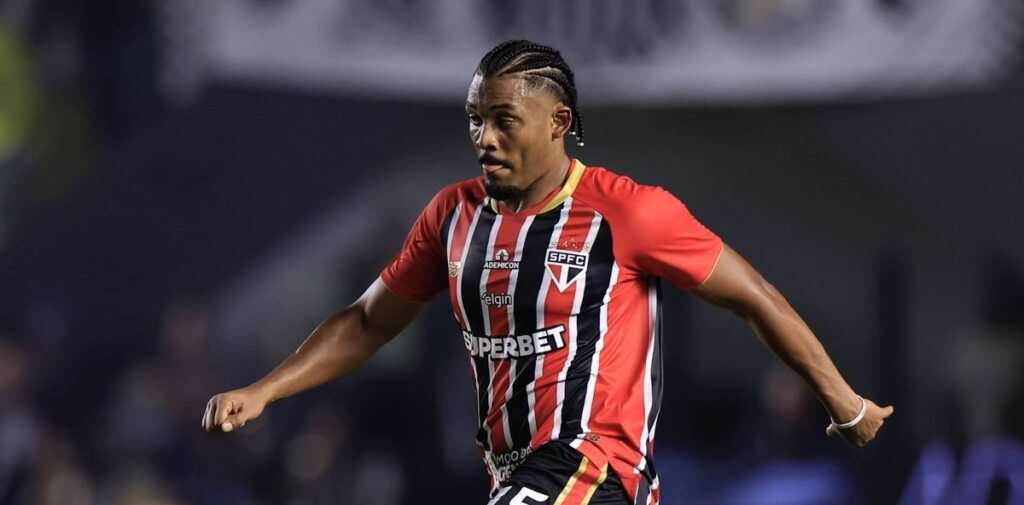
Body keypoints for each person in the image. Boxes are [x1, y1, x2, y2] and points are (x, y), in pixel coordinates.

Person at [202, 39, 893, 505]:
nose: (485, 138)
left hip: (597, 470)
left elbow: (754, 296)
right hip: (514, 477)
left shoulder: (629, 212)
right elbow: (366, 322)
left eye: (504, 119)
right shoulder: (453, 216)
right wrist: (265, 391)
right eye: (475, 120)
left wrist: (845, 402)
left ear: (559, 120)